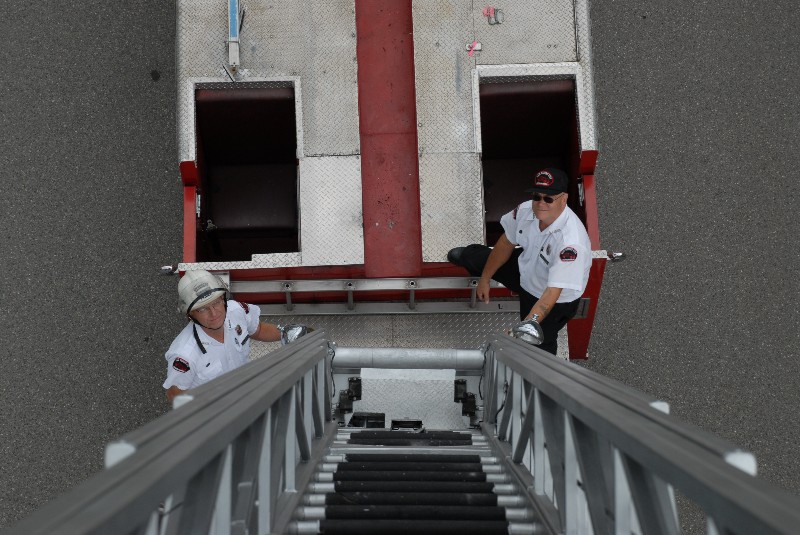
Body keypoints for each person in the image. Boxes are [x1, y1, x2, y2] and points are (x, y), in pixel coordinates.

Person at [448, 167, 592, 355]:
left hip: (549, 297)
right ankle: (467, 256)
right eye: (537, 197)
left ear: (564, 199)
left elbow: (552, 292)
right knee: (477, 258)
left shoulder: (571, 244)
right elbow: (506, 243)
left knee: (539, 341)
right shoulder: (525, 210)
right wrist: (485, 279)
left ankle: (541, 368)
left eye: (548, 199)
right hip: (526, 269)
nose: (540, 204)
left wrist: (525, 326)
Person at [163, 270, 305, 402]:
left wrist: (286, 333)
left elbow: (259, 330)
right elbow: (175, 395)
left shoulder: (236, 311)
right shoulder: (185, 356)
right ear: (190, 315)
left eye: (217, 302)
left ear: (224, 298)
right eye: (203, 309)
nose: (214, 313)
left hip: (245, 390)